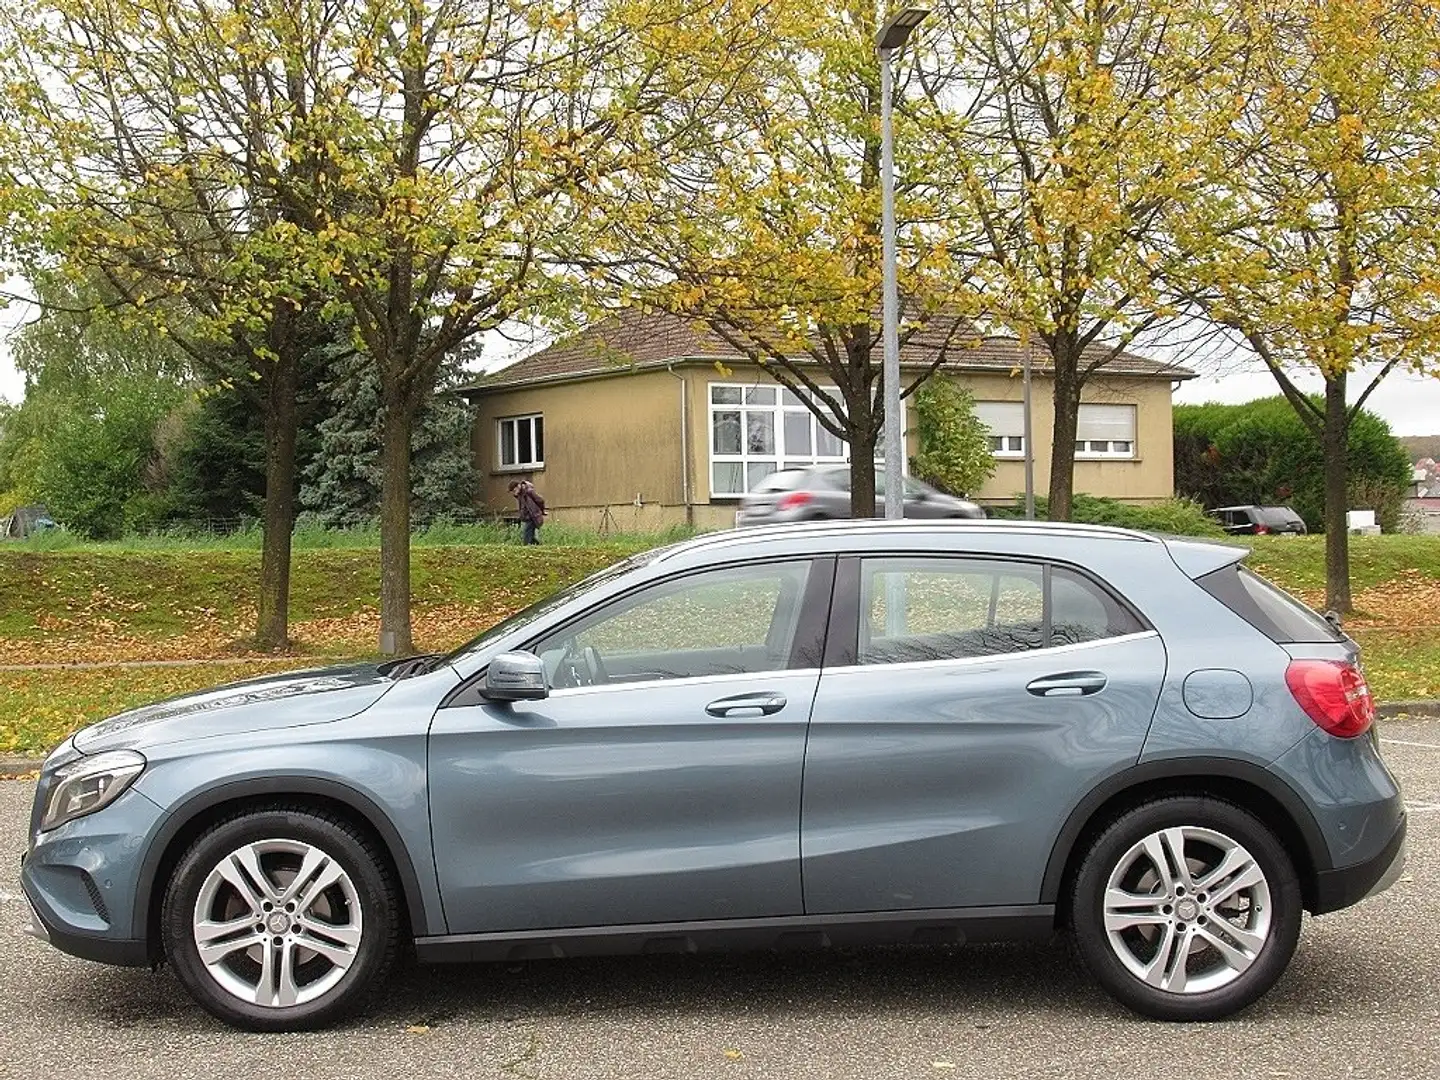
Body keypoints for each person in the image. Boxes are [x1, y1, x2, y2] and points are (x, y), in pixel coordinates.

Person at [508, 478, 546, 544]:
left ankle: (530, 547)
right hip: (527, 518)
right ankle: (538, 546)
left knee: (527, 537)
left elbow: (540, 500)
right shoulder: (520, 495)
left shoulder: (529, 492)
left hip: (532, 517)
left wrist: (541, 511)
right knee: (530, 537)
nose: (514, 493)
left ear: (518, 486)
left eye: (514, 490)